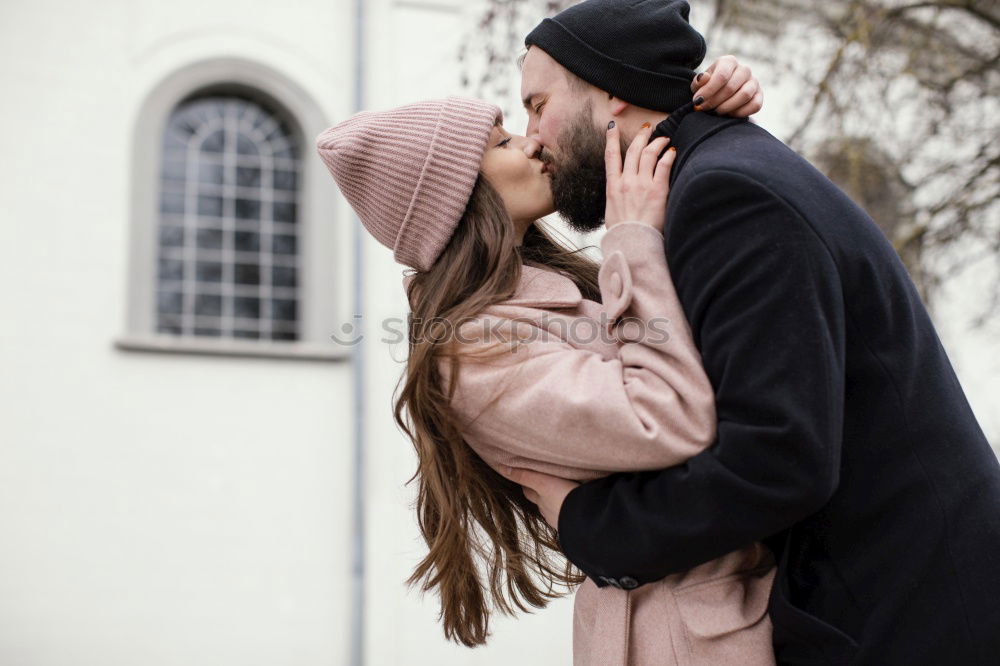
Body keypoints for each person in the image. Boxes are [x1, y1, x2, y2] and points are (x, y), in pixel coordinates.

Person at [502, 1, 1000, 664]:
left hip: (906, 618)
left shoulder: (727, 195)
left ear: (612, 92)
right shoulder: (712, 175)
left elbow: (776, 456)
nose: (532, 136)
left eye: (538, 105)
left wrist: (590, 528)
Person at [315, 60, 773, 664]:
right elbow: (667, 417)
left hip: (730, 607)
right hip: (679, 639)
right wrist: (633, 239)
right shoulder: (472, 355)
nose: (532, 142)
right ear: (459, 196)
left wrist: (708, 109)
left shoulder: (551, 289)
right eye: (502, 142)